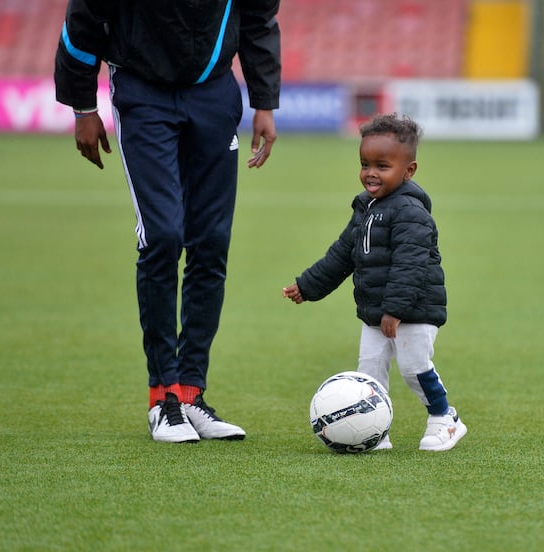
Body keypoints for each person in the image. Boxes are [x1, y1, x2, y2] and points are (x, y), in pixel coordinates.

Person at [54, 1, 281, 443]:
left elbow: (258, 21)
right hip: (143, 90)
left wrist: (265, 102)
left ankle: (191, 393)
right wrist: (83, 105)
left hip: (214, 93)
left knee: (211, 241)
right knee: (162, 236)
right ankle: (162, 398)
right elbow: (84, 17)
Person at [283, 114, 467, 452]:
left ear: (408, 170)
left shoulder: (411, 213)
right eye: (365, 164)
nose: (371, 172)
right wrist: (307, 286)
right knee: (368, 372)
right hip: (376, 311)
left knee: (413, 368)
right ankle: (374, 431)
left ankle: (445, 418)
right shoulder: (365, 207)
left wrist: (395, 310)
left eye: (382, 166)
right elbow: (342, 254)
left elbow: (410, 265)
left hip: (413, 308)